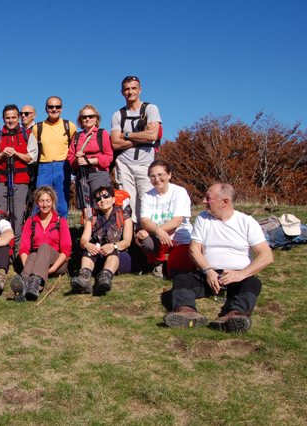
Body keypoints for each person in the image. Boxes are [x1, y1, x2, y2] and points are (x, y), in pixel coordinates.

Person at [163, 183, 273, 333]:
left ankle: (234, 316)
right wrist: (208, 271)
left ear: (225, 202)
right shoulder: (203, 219)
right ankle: (186, 312)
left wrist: (241, 274)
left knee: (253, 284)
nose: (204, 201)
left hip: (238, 276)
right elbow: (194, 250)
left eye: (208, 198)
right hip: (208, 274)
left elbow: (266, 256)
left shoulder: (246, 222)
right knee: (182, 279)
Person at [110, 75, 162, 222]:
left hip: (146, 163)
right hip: (124, 163)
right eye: (127, 89)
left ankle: (146, 235)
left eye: (133, 88)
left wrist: (126, 135)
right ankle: (130, 235)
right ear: (122, 92)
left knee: (146, 199)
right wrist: (140, 137)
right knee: (127, 201)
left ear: (140, 90)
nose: (130, 92)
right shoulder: (117, 115)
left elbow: (152, 135)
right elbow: (115, 143)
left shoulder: (151, 109)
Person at [0, 104, 38, 238]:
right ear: (3, 119)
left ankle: (17, 248)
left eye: (14, 117)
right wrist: (2, 154)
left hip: (20, 182)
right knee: (0, 215)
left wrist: (16, 153)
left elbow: (32, 158)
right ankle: (2, 247)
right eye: (7, 118)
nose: (11, 120)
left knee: (18, 216)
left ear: (18, 117)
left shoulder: (28, 135)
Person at [135, 160, 194, 279]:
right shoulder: (147, 196)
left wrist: (156, 230)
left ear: (169, 175)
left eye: (160, 175)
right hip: (159, 239)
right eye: (152, 176)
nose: (156, 179)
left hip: (180, 238)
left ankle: (172, 262)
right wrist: (158, 232)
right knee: (143, 239)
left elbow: (177, 220)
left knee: (177, 273)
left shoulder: (179, 192)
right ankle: (158, 263)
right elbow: (145, 220)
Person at [10, 186, 71, 301]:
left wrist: (52, 269)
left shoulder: (60, 221)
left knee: (43, 247)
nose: (45, 204)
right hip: (35, 261)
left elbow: (66, 249)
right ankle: (24, 283)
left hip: (57, 262)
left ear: (52, 202)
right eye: (41, 201)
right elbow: (24, 248)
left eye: (48, 201)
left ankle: (34, 283)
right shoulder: (31, 221)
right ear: (37, 202)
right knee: (33, 255)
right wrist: (27, 265)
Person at [71, 186, 133, 295]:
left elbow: (127, 241)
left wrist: (113, 246)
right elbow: (83, 240)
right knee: (88, 249)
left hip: (119, 256)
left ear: (113, 199)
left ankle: (105, 277)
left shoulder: (124, 216)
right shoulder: (93, 218)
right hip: (98, 256)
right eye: (99, 199)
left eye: (106, 196)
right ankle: (84, 276)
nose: (102, 200)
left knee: (113, 250)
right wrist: (87, 244)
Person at [31, 96, 77, 218]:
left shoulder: (69, 126)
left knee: (61, 203)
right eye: (51, 107)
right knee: (40, 201)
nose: (54, 109)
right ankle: (38, 232)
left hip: (62, 166)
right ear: (46, 109)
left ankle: (61, 233)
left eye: (57, 107)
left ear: (61, 109)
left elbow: (75, 147)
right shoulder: (37, 128)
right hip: (44, 167)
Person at [67, 105, 113, 218]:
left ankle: (106, 232)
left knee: (102, 204)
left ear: (96, 118)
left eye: (90, 116)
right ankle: (90, 232)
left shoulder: (102, 134)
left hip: (98, 173)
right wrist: (77, 160)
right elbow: (70, 157)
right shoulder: (77, 137)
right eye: (84, 117)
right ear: (80, 120)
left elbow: (109, 157)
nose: (87, 119)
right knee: (86, 206)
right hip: (82, 176)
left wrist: (90, 160)